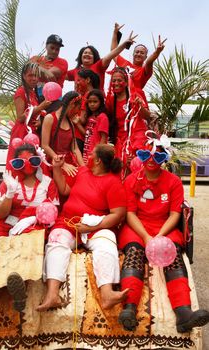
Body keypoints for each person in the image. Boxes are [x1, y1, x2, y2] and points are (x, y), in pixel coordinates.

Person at [117, 132, 209, 333]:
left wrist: (159, 236)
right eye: (146, 155)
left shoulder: (173, 181)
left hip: (164, 227)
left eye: (158, 156)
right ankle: (129, 308)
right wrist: (146, 238)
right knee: (134, 253)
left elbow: (175, 213)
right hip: (137, 228)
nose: (151, 160)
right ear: (141, 156)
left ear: (165, 157)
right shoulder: (132, 180)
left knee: (173, 256)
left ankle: (184, 313)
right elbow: (130, 214)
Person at [37, 144, 128, 312]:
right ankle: (52, 294)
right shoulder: (82, 172)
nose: (88, 157)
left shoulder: (113, 182)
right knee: (56, 240)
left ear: (98, 161)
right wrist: (57, 168)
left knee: (107, 243)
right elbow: (64, 189)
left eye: (91, 154)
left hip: (97, 227)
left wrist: (92, 226)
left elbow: (118, 214)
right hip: (68, 222)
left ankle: (107, 294)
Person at [0, 143, 59, 238]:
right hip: (7, 224)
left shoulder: (48, 182)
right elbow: (2, 214)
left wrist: (33, 219)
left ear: (39, 160)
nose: (27, 164)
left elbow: (53, 213)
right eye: (20, 162)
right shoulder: (9, 181)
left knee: (31, 241)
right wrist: (10, 193)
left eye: (33, 160)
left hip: (37, 225)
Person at [106, 67, 151, 175]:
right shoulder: (111, 100)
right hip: (120, 140)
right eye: (114, 80)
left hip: (137, 139)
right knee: (120, 170)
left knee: (135, 167)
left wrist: (140, 106)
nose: (116, 83)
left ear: (126, 82)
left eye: (119, 80)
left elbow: (147, 116)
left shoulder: (135, 96)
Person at [111, 23, 166, 106]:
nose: (139, 54)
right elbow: (113, 51)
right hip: (120, 98)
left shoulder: (145, 70)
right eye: (137, 52)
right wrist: (115, 33)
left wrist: (157, 51)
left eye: (142, 53)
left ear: (145, 57)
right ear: (133, 54)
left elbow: (149, 62)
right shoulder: (125, 64)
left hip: (136, 101)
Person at [6, 62, 51, 164]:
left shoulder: (32, 93)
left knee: (31, 166)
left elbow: (35, 114)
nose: (34, 78)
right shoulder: (21, 92)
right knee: (22, 164)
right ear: (24, 76)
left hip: (31, 134)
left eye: (36, 75)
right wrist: (40, 107)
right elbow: (21, 118)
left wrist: (39, 121)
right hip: (22, 134)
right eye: (30, 75)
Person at [66, 32, 137, 91]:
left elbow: (111, 55)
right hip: (78, 105)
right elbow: (60, 74)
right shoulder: (75, 71)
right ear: (80, 57)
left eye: (90, 53)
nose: (87, 54)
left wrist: (124, 45)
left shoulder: (99, 65)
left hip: (97, 104)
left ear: (94, 57)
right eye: (85, 53)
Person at [41, 91, 84, 186]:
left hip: (68, 163)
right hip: (53, 163)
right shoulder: (50, 118)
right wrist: (61, 164)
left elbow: (75, 149)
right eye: (78, 108)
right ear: (72, 105)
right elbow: (45, 146)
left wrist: (83, 168)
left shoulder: (71, 123)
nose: (78, 112)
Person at [72, 69, 100, 153]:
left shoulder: (88, 95)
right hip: (85, 137)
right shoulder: (91, 94)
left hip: (80, 137)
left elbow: (82, 120)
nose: (77, 83)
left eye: (79, 80)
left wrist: (72, 116)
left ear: (87, 80)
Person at [82, 89, 109, 163]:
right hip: (86, 152)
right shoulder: (90, 117)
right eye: (90, 102)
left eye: (95, 101)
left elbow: (103, 139)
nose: (92, 104)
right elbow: (86, 134)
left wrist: (98, 154)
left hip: (95, 154)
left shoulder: (103, 117)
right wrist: (77, 123)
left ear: (101, 102)